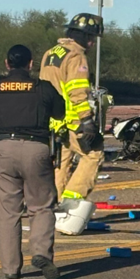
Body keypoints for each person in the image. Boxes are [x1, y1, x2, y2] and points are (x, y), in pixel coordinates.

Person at [0, 45, 65, 279]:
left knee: (7, 211)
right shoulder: (43, 88)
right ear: (31, 64)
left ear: (7, 64)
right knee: (41, 206)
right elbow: (60, 112)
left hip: (3, 150)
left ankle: (11, 268)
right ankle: (41, 253)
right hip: (37, 149)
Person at [40, 13, 104, 205]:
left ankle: (54, 204)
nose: (92, 43)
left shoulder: (50, 54)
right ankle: (72, 201)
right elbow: (77, 91)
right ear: (83, 36)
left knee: (61, 162)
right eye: (91, 38)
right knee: (94, 154)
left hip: (54, 122)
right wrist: (87, 120)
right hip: (73, 120)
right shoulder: (76, 56)